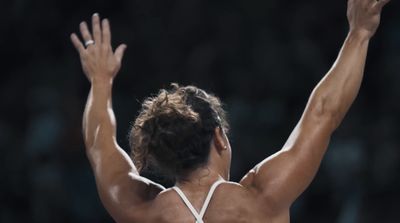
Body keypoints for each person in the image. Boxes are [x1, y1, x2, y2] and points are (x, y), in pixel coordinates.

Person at [70, 0, 390, 222]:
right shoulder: (262, 198)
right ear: (219, 138)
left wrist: (100, 81)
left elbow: (99, 144)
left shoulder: (140, 210)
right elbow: (323, 112)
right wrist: (359, 33)